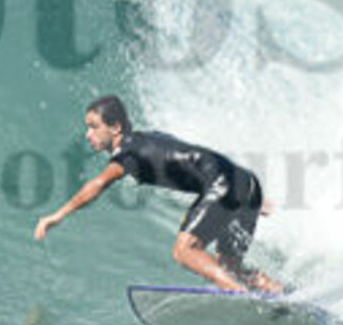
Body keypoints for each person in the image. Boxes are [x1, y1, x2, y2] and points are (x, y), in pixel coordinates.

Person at [33, 94, 284, 295]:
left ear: (115, 127)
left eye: (94, 127)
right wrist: (247, 195)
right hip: (244, 180)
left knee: (184, 251)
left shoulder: (127, 154)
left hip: (224, 184)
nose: (88, 134)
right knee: (229, 268)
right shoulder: (151, 138)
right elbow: (197, 156)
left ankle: (238, 294)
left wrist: (58, 215)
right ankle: (275, 290)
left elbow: (97, 185)